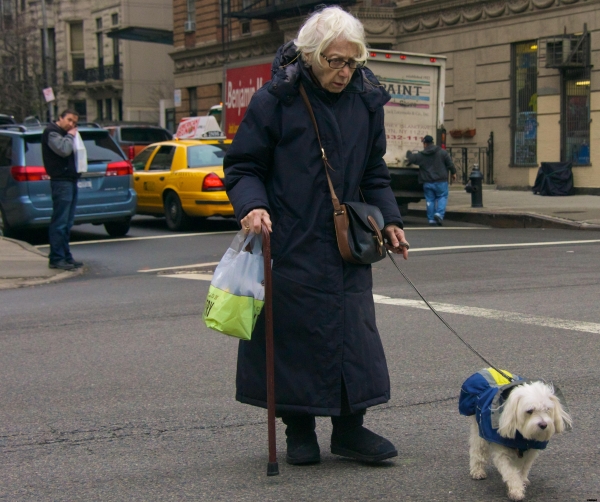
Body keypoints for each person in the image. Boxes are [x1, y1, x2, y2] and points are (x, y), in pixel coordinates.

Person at [224, 6, 409, 466]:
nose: (344, 72)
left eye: (353, 62)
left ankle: (350, 430)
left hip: (349, 243)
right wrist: (253, 206)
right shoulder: (275, 100)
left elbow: (373, 170)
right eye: (335, 61)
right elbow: (244, 166)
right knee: (294, 337)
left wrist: (389, 220)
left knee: (354, 336)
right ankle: (299, 430)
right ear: (310, 55)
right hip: (292, 239)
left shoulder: (365, 100)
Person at [41, 110, 84, 270]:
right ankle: (56, 258)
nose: (71, 125)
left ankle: (66, 256)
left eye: (74, 122)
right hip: (61, 181)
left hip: (70, 179)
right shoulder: (52, 132)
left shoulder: (65, 133)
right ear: (60, 118)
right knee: (60, 222)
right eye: (69, 120)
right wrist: (71, 136)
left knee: (67, 222)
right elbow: (64, 150)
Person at [406, 135, 456, 226]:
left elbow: (412, 158)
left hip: (427, 182)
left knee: (430, 200)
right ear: (433, 142)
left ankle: (431, 220)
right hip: (441, 181)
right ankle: (439, 214)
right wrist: (453, 173)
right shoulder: (442, 152)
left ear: (425, 144)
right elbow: (450, 164)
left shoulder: (421, 155)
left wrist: (409, 154)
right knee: (442, 197)